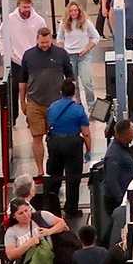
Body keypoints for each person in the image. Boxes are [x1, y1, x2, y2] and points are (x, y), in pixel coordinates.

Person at [20, 25, 75, 173]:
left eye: (47, 42)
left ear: (51, 39)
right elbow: (22, 81)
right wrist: (22, 102)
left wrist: (71, 100)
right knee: (37, 137)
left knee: (55, 138)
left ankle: (55, 170)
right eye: (42, 43)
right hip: (34, 103)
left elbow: (70, 78)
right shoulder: (28, 55)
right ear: (37, 40)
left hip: (57, 105)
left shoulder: (61, 54)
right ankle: (40, 171)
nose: (44, 45)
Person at [45, 79, 92, 216]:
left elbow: (49, 126)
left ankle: (51, 208)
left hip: (54, 143)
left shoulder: (52, 107)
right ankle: (71, 209)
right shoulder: (78, 109)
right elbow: (86, 133)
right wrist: (89, 149)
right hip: (73, 145)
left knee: (54, 176)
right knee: (73, 178)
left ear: (60, 92)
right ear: (74, 93)